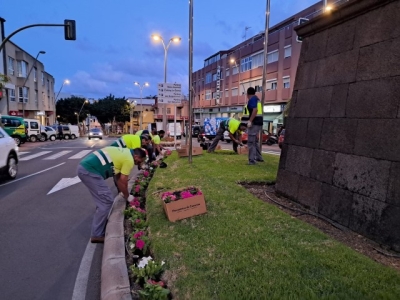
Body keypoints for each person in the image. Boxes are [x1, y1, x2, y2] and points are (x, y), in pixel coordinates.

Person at [77, 147, 146, 243]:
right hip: (89, 170)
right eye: (139, 161)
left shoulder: (124, 152)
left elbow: (118, 177)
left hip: (85, 168)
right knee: (106, 201)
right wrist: (128, 197)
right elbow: (123, 181)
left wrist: (124, 193)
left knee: (102, 201)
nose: (138, 163)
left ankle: (99, 226)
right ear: (136, 156)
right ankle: (96, 235)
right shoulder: (129, 160)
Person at [243, 87, 264, 165]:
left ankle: (252, 160)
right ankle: (259, 157)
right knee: (255, 141)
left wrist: (250, 121)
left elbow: (255, 110)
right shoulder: (257, 99)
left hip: (255, 122)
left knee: (251, 142)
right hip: (259, 122)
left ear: (248, 94)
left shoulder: (252, 99)